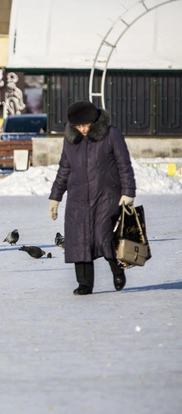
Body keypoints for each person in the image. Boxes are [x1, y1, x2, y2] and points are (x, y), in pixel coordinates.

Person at [49, 100, 136, 295]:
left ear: (95, 121)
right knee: (79, 239)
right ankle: (84, 284)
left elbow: (124, 165)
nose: (82, 129)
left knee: (104, 237)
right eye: (78, 126)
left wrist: (128, 192)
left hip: (107, 195)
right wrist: (55, 197)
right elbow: (64, 168)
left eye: (85, 125)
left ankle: (117, 269)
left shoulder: (112, 134)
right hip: (78, 198)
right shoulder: (70, 140)